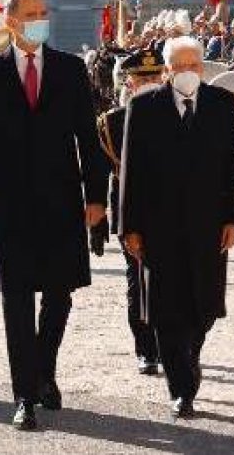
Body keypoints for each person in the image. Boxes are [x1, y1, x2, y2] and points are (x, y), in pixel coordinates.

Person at [0, 0, 109, 431]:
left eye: (44, 12)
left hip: (62, 203)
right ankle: (25, 394)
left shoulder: (69, 69)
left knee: (60, 296)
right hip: (9, 208)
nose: (39, 20)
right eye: (30, 14)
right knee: (17, 300)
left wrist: (97, 197)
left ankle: (44, 369)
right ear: (10, 21)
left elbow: (89, 137)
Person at [119, 36, 234, 420]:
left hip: (209, 225)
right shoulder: (143, 106)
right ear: (166, 71)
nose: (187, 72)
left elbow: (231, 168)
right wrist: (130, 227)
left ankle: (190, 355)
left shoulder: (222, 105)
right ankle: (181, 388)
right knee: (165, 310)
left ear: (203, 69)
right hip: (159, 226)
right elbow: (131, 171)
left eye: (194, 65)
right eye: (180, 66)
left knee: (204, 309)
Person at [97, 44, 166, 376]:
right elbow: (97, 172)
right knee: (138, 280)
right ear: (129, 83)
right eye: (142, 77)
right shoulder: (112, 123)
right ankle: (146, 348)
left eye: (154, 76)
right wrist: (96, 220)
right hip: (131, 210)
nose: (149, 81)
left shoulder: (180, 112)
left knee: (172, 280)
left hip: (172, 208)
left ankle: (171, 342)